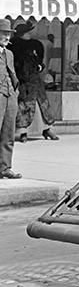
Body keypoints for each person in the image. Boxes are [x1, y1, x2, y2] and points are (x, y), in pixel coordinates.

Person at [10, 23, 59, 142]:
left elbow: (40, 60)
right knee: (24, 105)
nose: (29, 34)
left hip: (35, 79)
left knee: (42, 104)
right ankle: (22, 131)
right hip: (22, 80)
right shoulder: (14, 46)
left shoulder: (36, 44)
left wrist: (40, 66)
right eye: (26, 32)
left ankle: (46, 129)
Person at [0, 20, 20, 179]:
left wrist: (15, 92)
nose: (7, 37)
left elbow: (12, 74)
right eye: (4, 33)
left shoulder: (9, 53)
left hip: (10, 96)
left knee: (8, 132)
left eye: (8, 34)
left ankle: (5, 167)